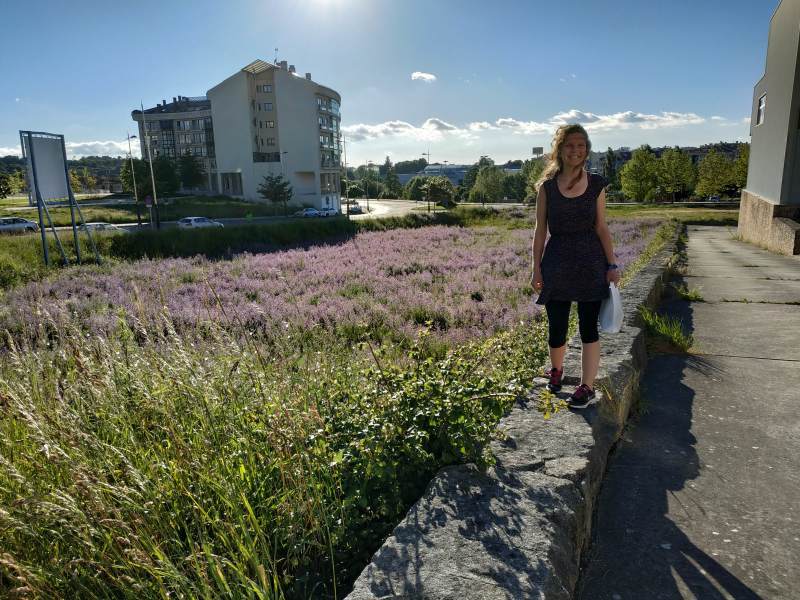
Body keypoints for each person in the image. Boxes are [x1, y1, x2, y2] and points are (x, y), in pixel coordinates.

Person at [531, 124, 620, 409]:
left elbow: (602, 227)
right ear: (560, 149)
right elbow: (539, 230)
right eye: (570, 145)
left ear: (586, 149)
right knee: (556, 325)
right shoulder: (546, 188)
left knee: (588, 327)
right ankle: (556, 372)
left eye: (581, 145)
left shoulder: (596, 184)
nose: (576, 150)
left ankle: (586, 386)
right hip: (556, 261)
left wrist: (612, 263)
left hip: (591, 262)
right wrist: (536, 268)